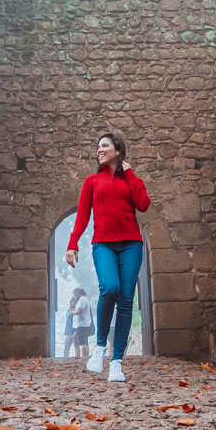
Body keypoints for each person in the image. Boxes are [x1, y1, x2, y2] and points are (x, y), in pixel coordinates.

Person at [66, 131, 150, 382]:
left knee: (126, 300)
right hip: (103, 244)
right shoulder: (92, 181)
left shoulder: (131, 180)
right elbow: (82, 216)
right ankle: (100, 347)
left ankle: (116, 362)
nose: (99, 150)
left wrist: (130, 173)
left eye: (104, 146)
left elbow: (143, 204)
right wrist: (73, 244)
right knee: (110, 288)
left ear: (118, 150)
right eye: (98, 147)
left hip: (131, 245)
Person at [70, 286, 92, 360]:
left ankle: (84, 357)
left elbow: (80, 311)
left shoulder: (82, 299)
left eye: (75, 294)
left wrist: (72, 313)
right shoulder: (82, 300)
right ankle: (78, 355)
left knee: (83, 342)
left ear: (78, 293)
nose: (75, 296)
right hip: (79, 324)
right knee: (75, 338)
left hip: (82, 324)